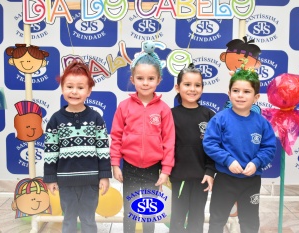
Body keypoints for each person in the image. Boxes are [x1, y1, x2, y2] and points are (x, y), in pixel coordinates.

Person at [110, 41, 175, 233]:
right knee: (130, 211)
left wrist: (165, 170)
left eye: (150, 78)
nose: (145, 83)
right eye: (140, 78)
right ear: (132, 79)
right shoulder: (124, 106)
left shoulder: (163, 109)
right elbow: (116, 136)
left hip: (153, 170)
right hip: (129, 167)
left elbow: (169, 141)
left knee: (148, 212)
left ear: (158, 80)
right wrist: (115, 164)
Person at [203, 68, 276, 233]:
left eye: (246, 91)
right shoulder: (220, 119)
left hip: (251, 181)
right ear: (229, 94)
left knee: (250, 222)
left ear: (256, 97)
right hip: (225, 180)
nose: (240, 95)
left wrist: (257, 162)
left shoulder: (262, 123)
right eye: (236, 91)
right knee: (217, 219)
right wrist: (228, 160)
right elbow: (210, 143)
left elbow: (269, 148)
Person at [43, 61, 112, 233]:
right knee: (69, 220)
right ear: (62, 88)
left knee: (89, 220)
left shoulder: (96, 118)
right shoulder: (55, 120)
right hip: (65, 182)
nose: (74, 91)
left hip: (90, 181)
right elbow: (51, 151)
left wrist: (104, 176)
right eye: (69, 86)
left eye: (80, 87)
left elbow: (103, 149)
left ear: (89, 91)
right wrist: (50, 177)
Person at [169, 63, 216, 233]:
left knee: (197, 219)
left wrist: (210, 171)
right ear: (177, 87)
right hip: (179, 177)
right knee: (177, 219)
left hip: (202, 178)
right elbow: (166, 147)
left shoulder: (209, 115)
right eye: (187, 84)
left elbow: (214, 148)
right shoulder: (170, 115)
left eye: (197, 85)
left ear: (202, 88)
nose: (192, 89)